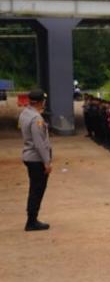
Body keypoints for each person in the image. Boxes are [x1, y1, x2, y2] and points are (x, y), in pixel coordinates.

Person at [20, 89, 53, 232]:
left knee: (34, 188)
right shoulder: (36, 118)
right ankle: (31, 221)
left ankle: (32, 218)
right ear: (41, 102)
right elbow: (39, 143)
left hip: (29, 156)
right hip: (36, 158)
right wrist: (47, 161)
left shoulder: (25, 113)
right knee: (37, 189)